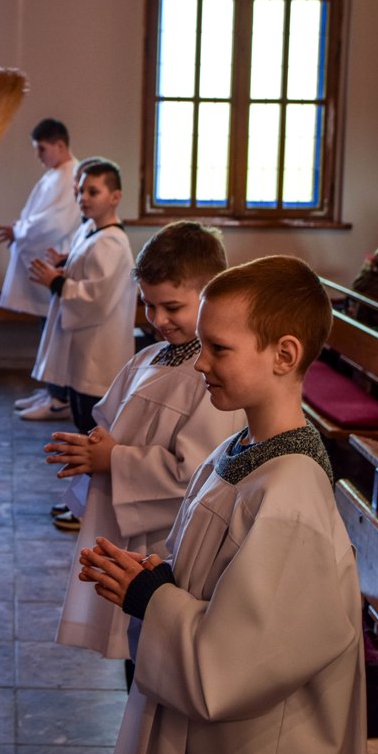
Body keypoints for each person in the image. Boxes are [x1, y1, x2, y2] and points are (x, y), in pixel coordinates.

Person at [80, 256, 367, 754]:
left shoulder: (290, 500)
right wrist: (158, 576)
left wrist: (151, 598)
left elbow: (234, 667)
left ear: (284, 355)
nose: (200, 363)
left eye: (218, 348)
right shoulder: (238, 450)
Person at [44, 222, 245, 635]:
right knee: (129, 631)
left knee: (151, 633)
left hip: (163, 538)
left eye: (172, 306)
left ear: (212, 295)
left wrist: (113, 459)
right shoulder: (151, 356)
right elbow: (108, 418)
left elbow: (198, 473)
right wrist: (93, 446)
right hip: (127, 524)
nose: (158, 319)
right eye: (148, 305)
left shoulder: (210, 376)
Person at [29, 159, 137, 438]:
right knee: (80, 415)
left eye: (93, 192)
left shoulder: (110, 241)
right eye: (80, 191)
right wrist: (64, 266)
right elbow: (87, 271)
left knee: (91, 421)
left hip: (98, 351)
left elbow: (96, 297)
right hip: (85, 347)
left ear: (115, 197)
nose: (83, 198)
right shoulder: (90, 229)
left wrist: (56, 281)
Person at [0, 118, 81, 418]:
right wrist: (20, 230)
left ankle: (60, 398)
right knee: (48, 329)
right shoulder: (55, 175)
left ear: (60, 145)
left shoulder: (72, 175)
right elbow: (39, 218)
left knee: (56, 331)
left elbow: (54, 224)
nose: (38, 155)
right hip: (47, 262)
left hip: (58, 260)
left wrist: (20, 231)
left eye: (42, 149)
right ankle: (51, 390)